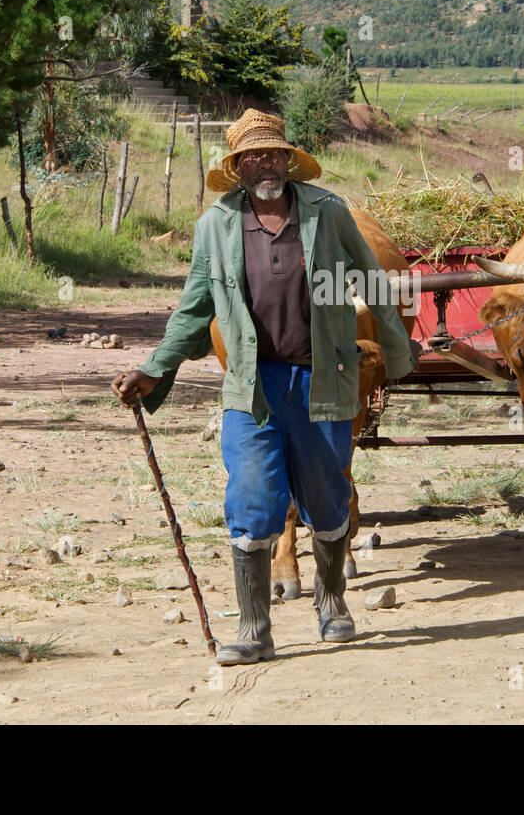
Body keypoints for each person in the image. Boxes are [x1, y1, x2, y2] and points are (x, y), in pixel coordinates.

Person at [112, 109, 416, 665]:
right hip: (253, 385)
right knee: (252, 498)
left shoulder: (327, 212)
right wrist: (155, 367)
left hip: (323, 378)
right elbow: (194, 306)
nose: (265, 163)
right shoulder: (217, 224)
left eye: (273, 154)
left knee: (327, 497)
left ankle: (332, 604)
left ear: (287, 159)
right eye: (252, 157)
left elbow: (372, 278)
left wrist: (397, 352)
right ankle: (254, 629)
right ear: (238, 168)